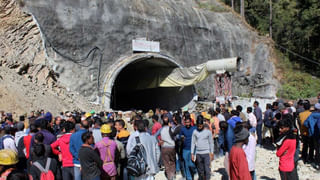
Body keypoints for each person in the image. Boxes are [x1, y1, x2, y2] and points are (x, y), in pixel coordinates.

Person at [191, 115, 214, 180]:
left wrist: (211, 153)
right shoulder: (195, 132)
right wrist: (192, 153)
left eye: (200, 125)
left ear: (203, 124)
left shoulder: (208, 132)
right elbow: (193, 143)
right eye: (198, 126)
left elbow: (211, 143)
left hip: (206, 153)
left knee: (207, 169)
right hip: (198, 154)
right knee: (200, 170)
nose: (199, 127)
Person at [159, 114, 176, 180]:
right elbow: (175, 137)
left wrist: (159, 141)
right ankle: (173, 175)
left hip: (164, 147)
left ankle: (169, 177)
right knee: (172, 161)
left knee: (166, 162)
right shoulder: (172, 128)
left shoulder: (161, 129)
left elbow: (154, 135)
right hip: (172, 147)